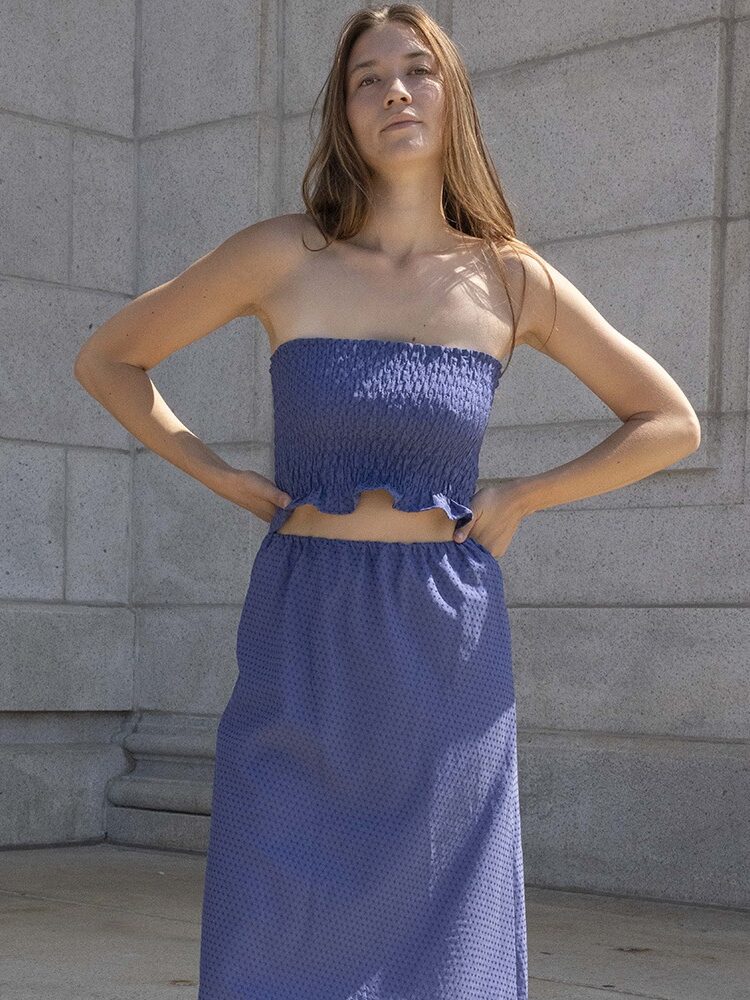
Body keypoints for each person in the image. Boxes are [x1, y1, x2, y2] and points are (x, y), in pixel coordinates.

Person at [73, 5, 701, 998]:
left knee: (444, 951)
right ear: (343, 113)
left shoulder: (508, 278)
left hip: (442, 649)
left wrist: (525, 496)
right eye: (368, 77)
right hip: (303, 629)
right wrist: (219, 472)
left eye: (417, 69)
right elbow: (109, 358)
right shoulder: (282, 255)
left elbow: (667, 419)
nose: (395, 91)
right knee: (269, 925)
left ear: (452, 99)